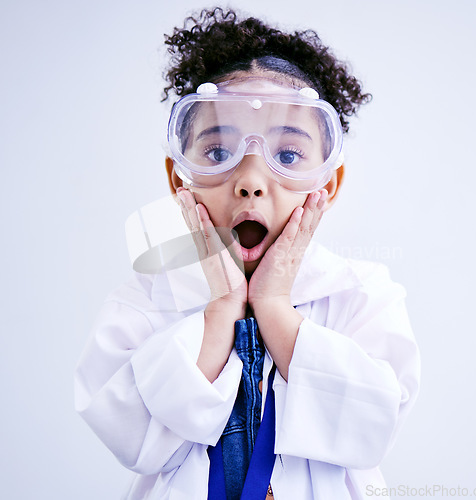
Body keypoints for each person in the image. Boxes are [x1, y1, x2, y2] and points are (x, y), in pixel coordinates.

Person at [75, 7, 420, 500]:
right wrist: (221, 310)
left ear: (327, 182)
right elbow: (131, 436)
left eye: (287, 156)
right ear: (179, 180)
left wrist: (275, 308)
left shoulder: (362, 296)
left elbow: (371, 425)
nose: (251, 182)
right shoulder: (145, 300)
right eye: (218, 154)